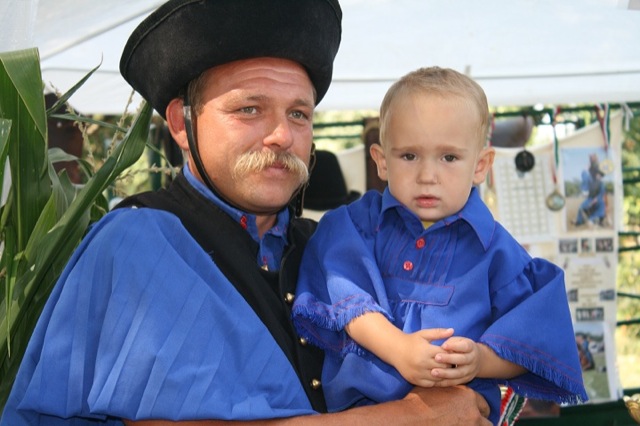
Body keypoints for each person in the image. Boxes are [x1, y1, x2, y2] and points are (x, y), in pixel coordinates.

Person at [0, 2, 492, 425]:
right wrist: (409, 417)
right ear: (181, 124)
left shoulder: (333, 249)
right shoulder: (137, 243)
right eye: (249, 110)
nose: (282, 135)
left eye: (298, 114)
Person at [292, 66, 588, 425]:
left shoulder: (495, 251)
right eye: (409, 156)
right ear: (381, 161)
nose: (427, 176)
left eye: (449, 157)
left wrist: (480, 360)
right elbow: (345, 300)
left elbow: (531, 339)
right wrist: (398, 349)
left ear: (480, 165)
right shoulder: (354, 226)